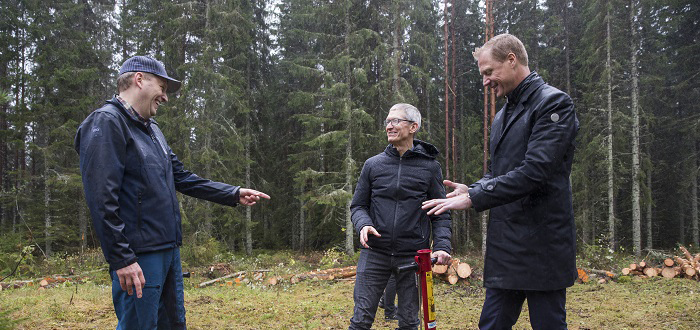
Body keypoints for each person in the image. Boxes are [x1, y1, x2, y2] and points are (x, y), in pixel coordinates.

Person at [75, 55, 270, 329]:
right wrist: (122, 258)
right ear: (139, 79)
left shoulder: (152, 129)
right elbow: (101, 200)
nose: (165, 97)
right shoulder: (106, 123)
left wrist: (233, 193)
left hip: (168, 250)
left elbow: (181, 177)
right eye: (163, 88)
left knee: (173, 324)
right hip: (138, 256)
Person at [422, 34, 579, 329]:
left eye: (488, 72)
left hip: (543, 245)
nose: (485, 81)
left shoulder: (553, 103)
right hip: (506, 246)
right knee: (491, 325)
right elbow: (497, 171)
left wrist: (476, 198)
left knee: (548, 325)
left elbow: (535, 171)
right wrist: (475, 188)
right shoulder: (503, 114)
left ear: (512, 60)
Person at [349, 103, 452, 330]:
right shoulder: (373, 165)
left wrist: (443, 245)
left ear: (413, 127)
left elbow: (441, 213)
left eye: (396, 121)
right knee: (361, 320)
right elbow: (357, 206)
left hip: (413, 257)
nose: (389, 126)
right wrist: (363, 224)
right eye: (387, 121)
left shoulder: (430, 168)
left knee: (408, 322)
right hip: (374, 253)